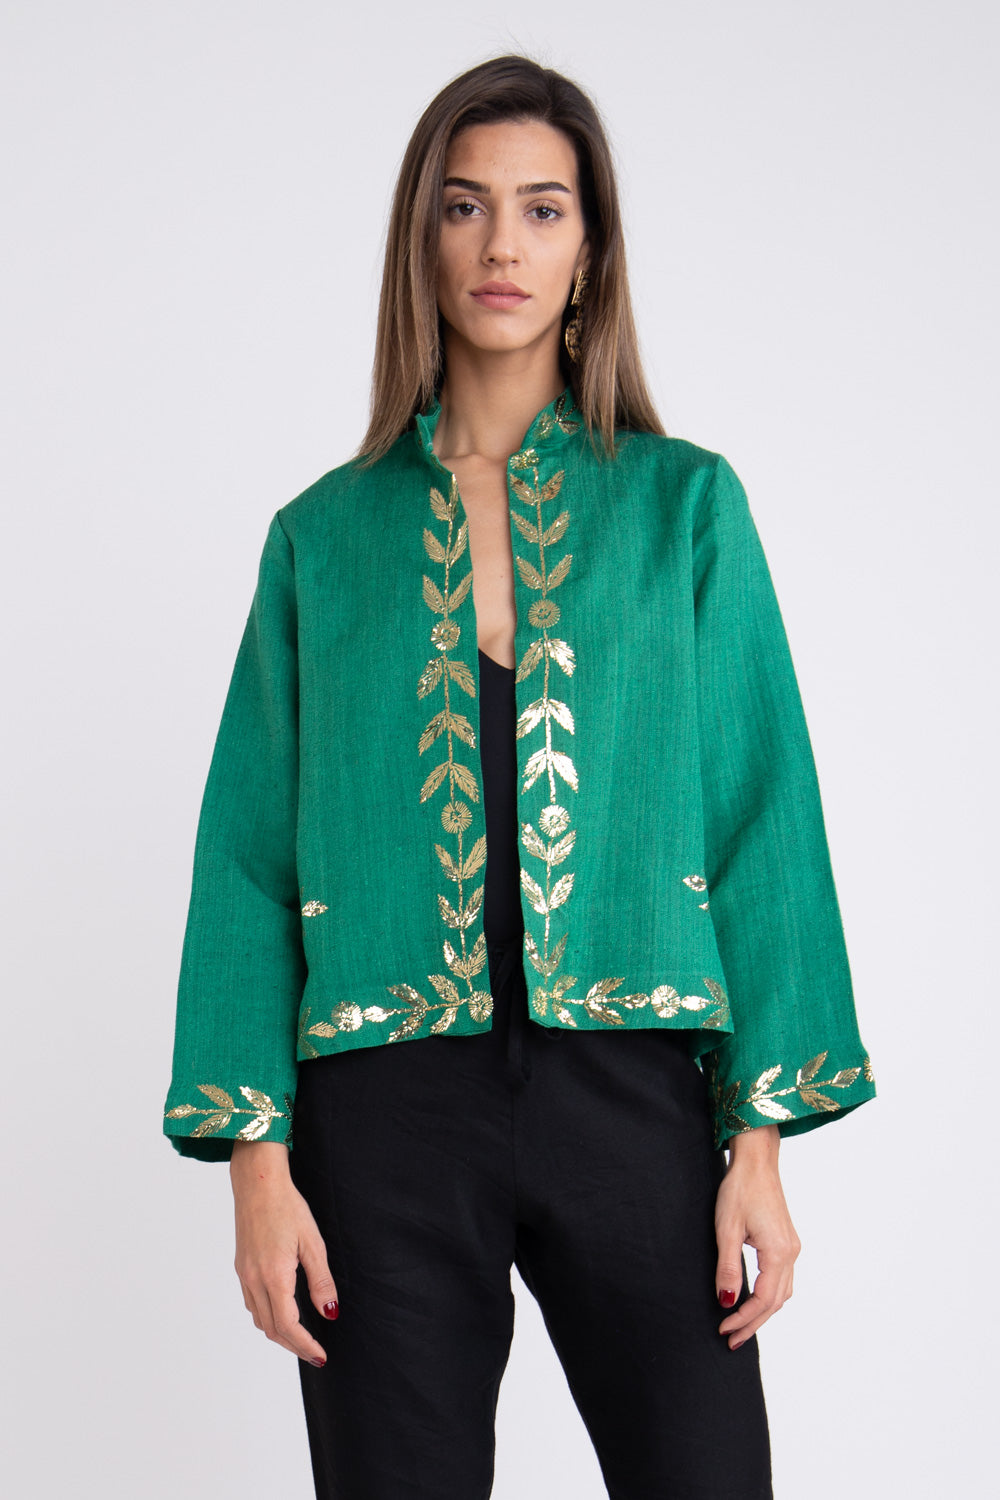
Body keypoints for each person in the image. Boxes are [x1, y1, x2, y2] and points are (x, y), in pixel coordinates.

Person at [163, 54, 876, 1499]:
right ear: (421, 239)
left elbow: (762, 811)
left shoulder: (684, 507)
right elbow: (248, 855)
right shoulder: (322, 539)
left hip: (634, 1091)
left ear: (589, 249)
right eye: (466, 206)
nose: (503, 245)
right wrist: (257, 1167)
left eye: (543, 209)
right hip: (380, 1116)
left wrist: (757, 1146)